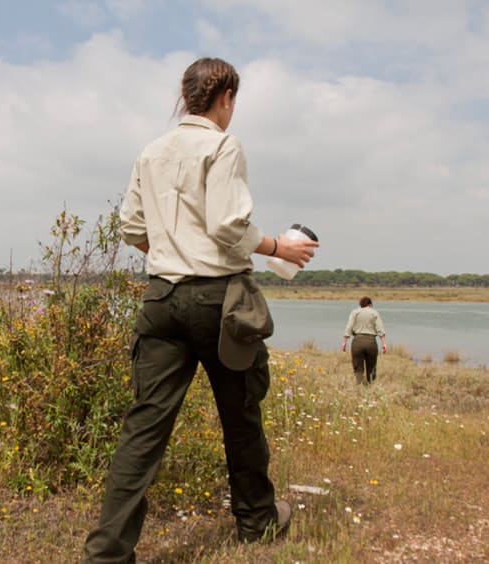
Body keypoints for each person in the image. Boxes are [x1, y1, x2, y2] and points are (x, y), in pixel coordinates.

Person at [83, 57, 319, 563]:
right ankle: (257, 524)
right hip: (221, 302)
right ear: (226, 98)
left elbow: (130, 226)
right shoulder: (223, 145)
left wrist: (170, 252)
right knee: (240, 415)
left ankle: (106, 554)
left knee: (144, 427)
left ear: (186, 96)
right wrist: (280, 247)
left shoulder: (151, 151)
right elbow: (226, 225)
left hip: (162, 300)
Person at [341, 297, 387, 385]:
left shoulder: (355, 312)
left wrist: (344, 342)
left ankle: (359, 385)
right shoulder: (374, 312)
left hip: (357, 341)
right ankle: (370, 385)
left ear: (360, 304)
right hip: (371, 342)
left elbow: (349, 327)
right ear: (370, 304)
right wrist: (384, 344)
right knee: (371, 366)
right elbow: (380, 329)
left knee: (357, 366)